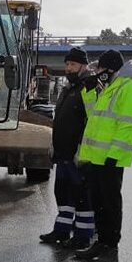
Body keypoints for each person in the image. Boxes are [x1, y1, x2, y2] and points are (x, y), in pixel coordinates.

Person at [74, 49, 132, 262]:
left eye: (101, 69)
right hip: (97, 158)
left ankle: (111, 249)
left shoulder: (129, 88)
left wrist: (114, 156)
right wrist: (88, 92)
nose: (98, 73)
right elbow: (94, 118)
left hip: (110, 159)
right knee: (98, 203)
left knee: (110, 204)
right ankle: (101, 243)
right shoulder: (110, 87)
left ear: (111, 69)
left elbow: (126, 125)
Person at [39, 47, 96, 250]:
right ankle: (62, 231)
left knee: (81, 196)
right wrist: (54, 145)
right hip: (63, 153)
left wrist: (82, 149)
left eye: (72, 64)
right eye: (67, 64)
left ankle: (83, 235)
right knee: (63, 194)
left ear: (83, 66)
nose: (68, 68)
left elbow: (93, 122)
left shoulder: (88, 88)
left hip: (77, 154)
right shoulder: (68, 88)